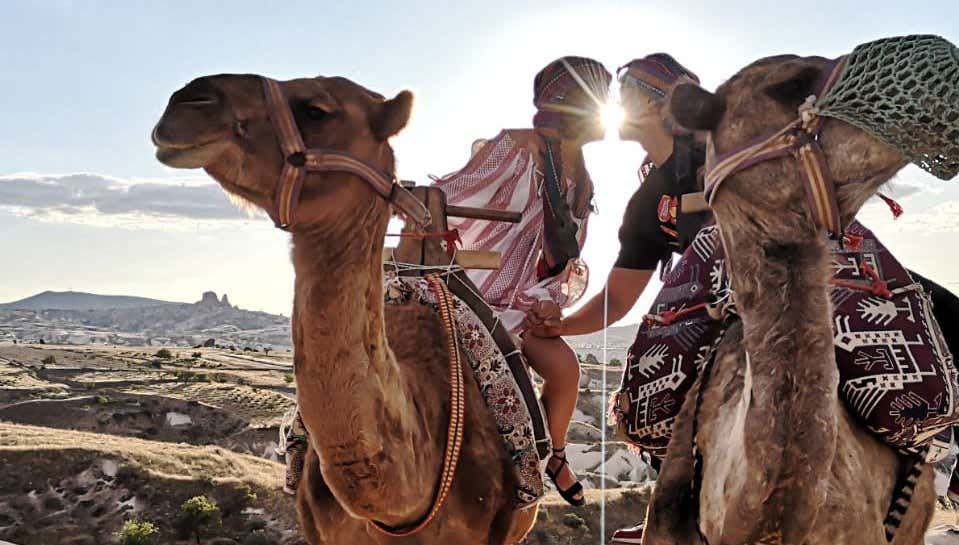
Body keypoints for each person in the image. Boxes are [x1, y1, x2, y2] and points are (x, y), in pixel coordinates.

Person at [524, 53, 959, 544]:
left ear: (658, 104)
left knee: (939, 315)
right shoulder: (650, 202)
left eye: (627, 94)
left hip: (796, 261)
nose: (616, 104)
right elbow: (619, 296)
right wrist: (563, 325)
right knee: (653, 403)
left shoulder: (737, 146)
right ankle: (667, 510)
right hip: (712, 302)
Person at [432, 56, 613, 506]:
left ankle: (552, 454)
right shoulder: (514, 147)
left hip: (523, 305)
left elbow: (564, 261)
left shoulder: (581, 181)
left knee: (565, 369)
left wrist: (551, 303)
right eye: (601, 99)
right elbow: (447, 197)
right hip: (472, 294)